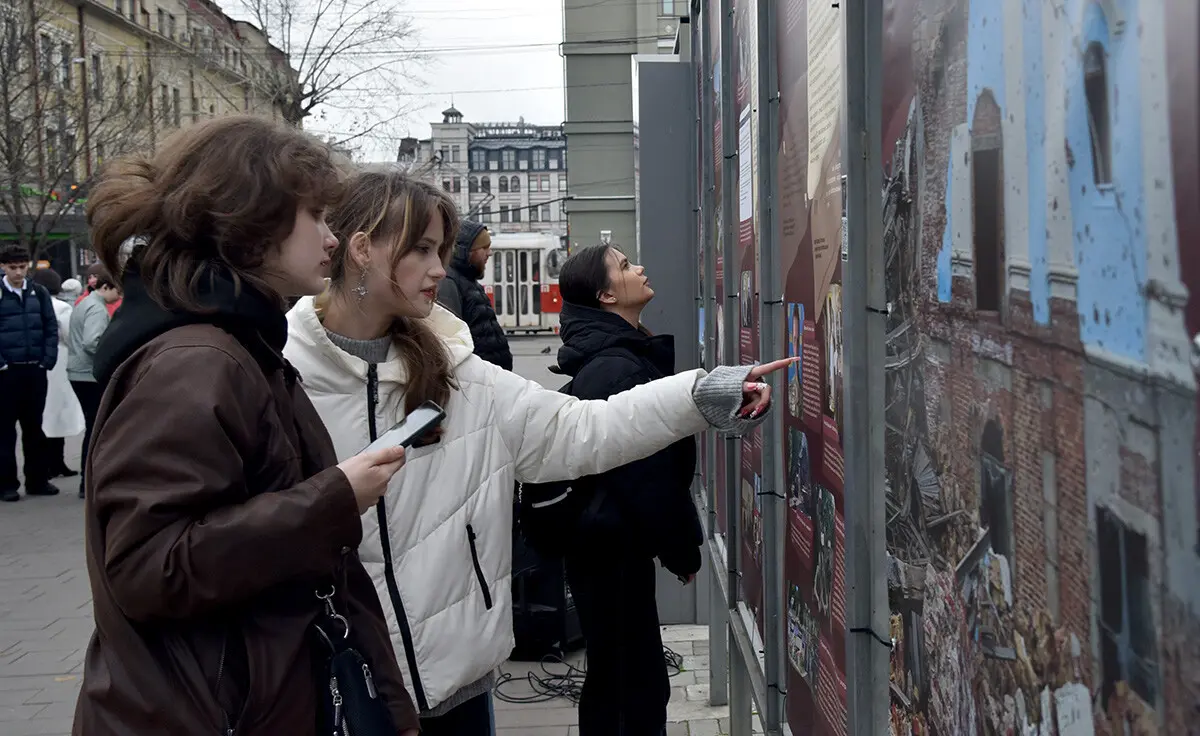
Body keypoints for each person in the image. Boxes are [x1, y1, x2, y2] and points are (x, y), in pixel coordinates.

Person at [283, 168, 793, 734]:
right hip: (337, 689)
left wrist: (701, 394)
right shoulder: (276, 375)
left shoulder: (460, 374)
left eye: (441, 250)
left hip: (458, 691)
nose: (439, 269)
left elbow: (582, 429)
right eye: (422, 249)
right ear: (362, 249)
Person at [73, 116, 422, 736]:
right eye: (315, 215)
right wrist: (333, 499)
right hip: (208, 713)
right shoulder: (198, 361)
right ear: (250, 221)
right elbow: (151, 567)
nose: (332, 237)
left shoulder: (234, 342)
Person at [551, 243, 705, 735]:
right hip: (611, 548)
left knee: (622, 677)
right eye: (623, 266)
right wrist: (682, 549)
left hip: (608, 545)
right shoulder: (617, 368)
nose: (639, 268)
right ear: (606, 296)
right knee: (630, 687)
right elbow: (647, 476)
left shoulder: (615, 356)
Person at [0, 245, 58, 502]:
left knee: (34, 427)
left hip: (35, 369)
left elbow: (50, 326)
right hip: (6, 372)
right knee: (4, 430)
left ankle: (37, 480)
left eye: (22, 267)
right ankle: (6, 484)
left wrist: (47, 360)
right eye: (13, 267)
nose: (18, 272)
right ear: (3, 267)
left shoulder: (39, 292)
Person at [66, 266, 121, 498]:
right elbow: (91, 342)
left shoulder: (85, 303)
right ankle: (88, 481)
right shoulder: (97, 309)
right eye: (118, 291)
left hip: (78, 372)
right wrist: (108, 356)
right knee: (96, 428)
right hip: (88, 373)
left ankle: (87, 481)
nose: (118, 297)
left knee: (93, 426)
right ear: (106, 287)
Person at [435, 220, 512, 370]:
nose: (489, 253)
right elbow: (452, 343)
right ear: (464, 251)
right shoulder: (449, 282)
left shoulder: (467, 281)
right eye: (484, 247)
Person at [30, 267, 84, 481]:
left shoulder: (32, 303)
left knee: (43, 413)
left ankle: (44, 463)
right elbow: (71, 335)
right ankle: (57, 461)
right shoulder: (62, 307)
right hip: (60, 359)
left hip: (38, 361)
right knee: (59, 413)